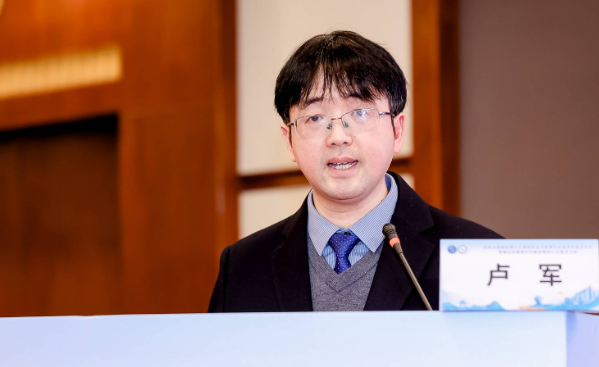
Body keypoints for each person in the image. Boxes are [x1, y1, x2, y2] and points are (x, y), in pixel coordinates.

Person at [208, 31, 501, 312]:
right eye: (315, 118)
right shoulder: (242, 267)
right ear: (289, 142)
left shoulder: (480, 256)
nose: (338, 136)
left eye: (360, 113)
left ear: (397, 130)